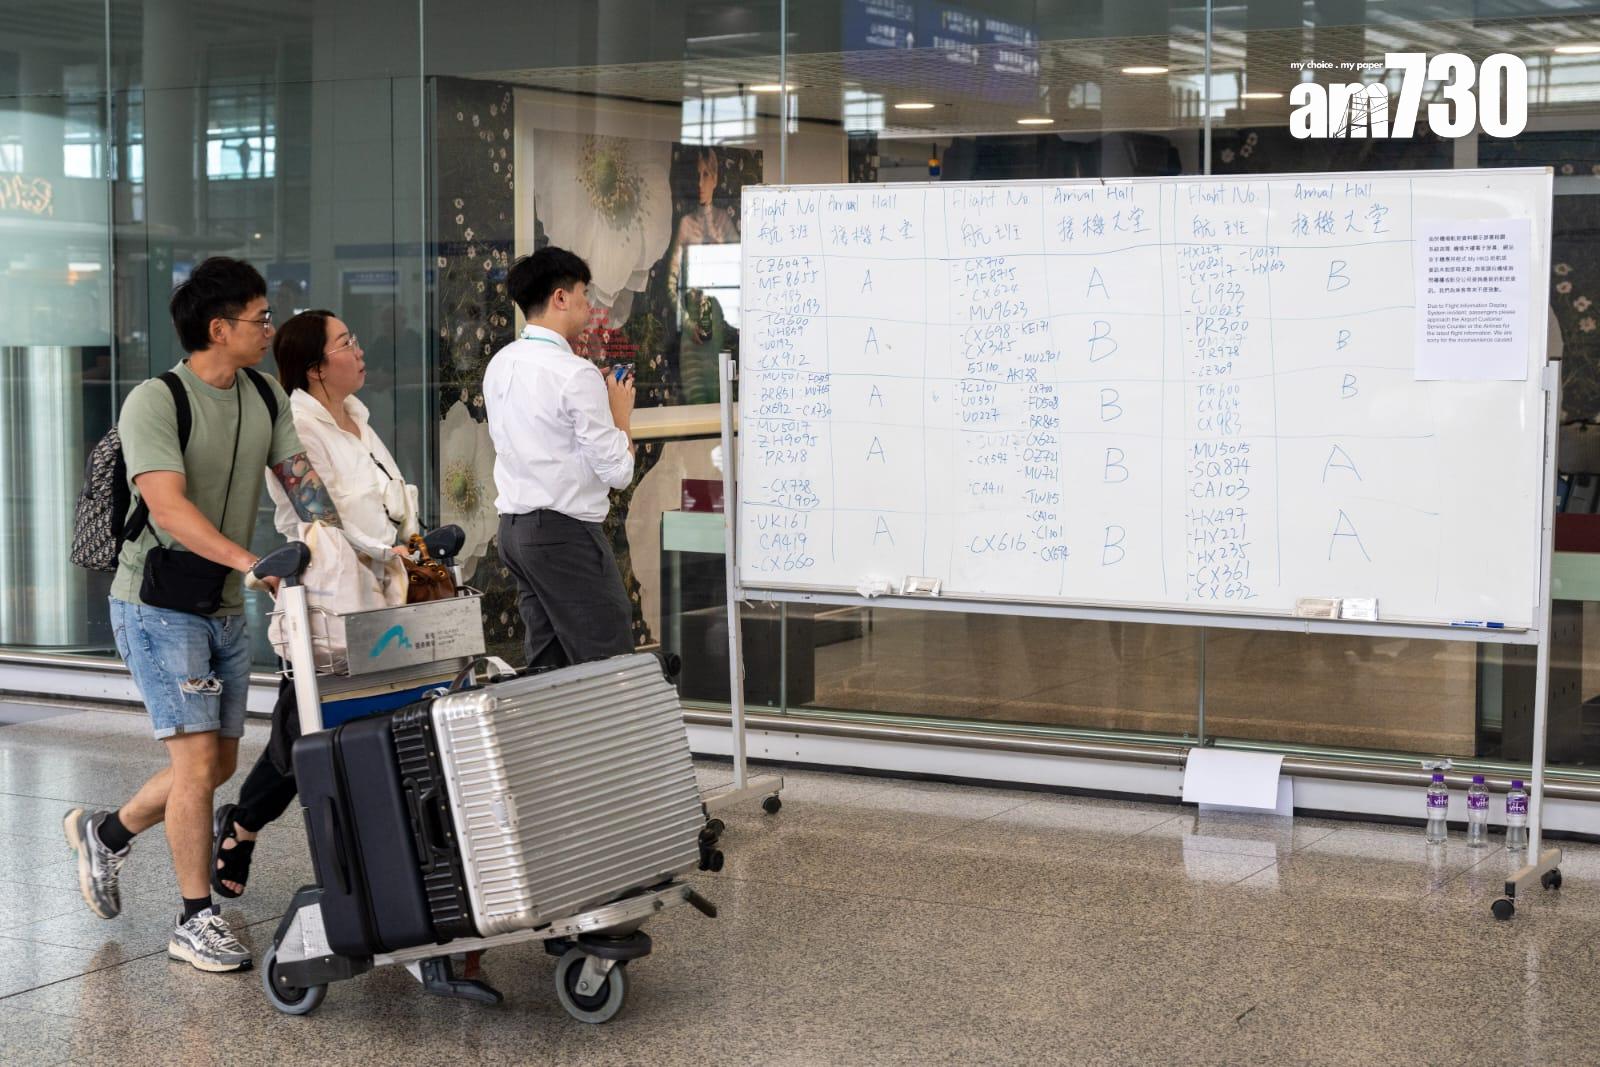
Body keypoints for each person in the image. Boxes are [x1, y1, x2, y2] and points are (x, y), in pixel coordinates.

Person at [62, 257, 344, 973]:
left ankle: (107, 832)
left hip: (219, 602)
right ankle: (194, 918)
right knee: (194, 763)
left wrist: (346, 547)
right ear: (218, 328)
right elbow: (168, 507)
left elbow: (301, 483)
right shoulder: (155, 401)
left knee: (216, 763)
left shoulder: (262, 392)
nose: (270, 327)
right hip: (156, 604)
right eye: (259, 318)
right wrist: (250, 563)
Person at [208, 309, 419, 899]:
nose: (359, 350)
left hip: (383, 597)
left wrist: (413, 549)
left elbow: (388, 502)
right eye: (346, 343)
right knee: (306, 733)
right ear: (317, 368)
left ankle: (255, 830)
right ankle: (245, 826)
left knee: (330, 731)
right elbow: (324, 514)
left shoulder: (356, 417)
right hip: (326, 604)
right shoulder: (296, 422)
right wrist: (393, 548)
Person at [484, 246, 637, 669]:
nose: (590, 306)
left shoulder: (500, 363)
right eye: (584, 294)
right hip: (562, 532)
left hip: (515, 531)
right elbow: (618, 471)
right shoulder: (574, 372)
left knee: (548, 664)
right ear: (560, 298)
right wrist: (620, 413)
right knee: (607, 658)